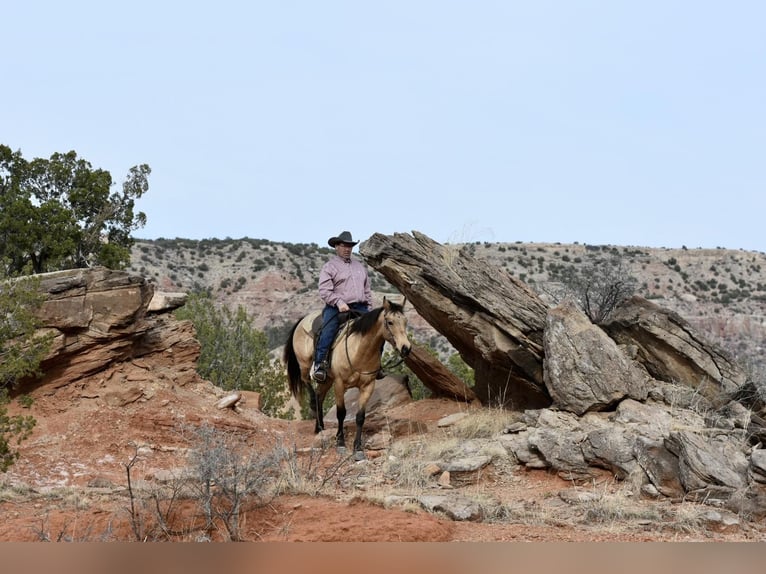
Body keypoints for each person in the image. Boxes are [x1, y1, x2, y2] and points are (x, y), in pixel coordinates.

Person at [312, 231, 373, 383]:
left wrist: (370, 309)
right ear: (336, 247)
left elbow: (367, 290)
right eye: (344, 245)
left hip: (360, 307)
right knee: (328, 330)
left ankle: (375, 365)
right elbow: (324, 291)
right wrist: (339, 302)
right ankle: (320, 365)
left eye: (350, 246)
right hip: (336, 307)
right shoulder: (330, 267)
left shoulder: (360, 267)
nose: (347, 249)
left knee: (379, 329)